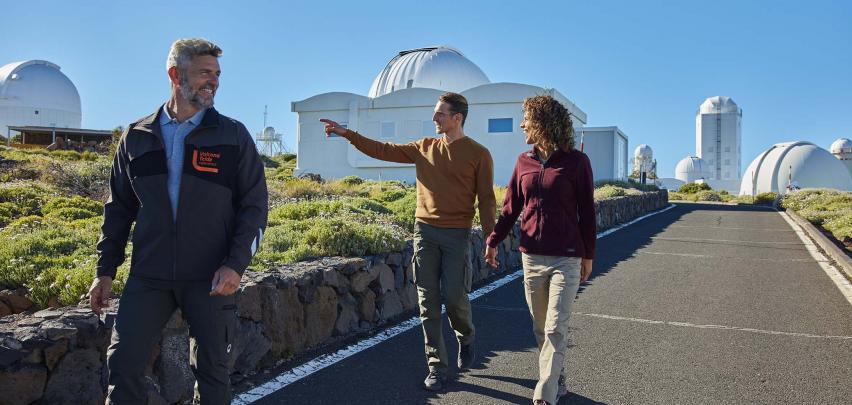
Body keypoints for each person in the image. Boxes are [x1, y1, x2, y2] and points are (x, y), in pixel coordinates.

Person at [88, 38, 268, 404]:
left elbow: (255, 207)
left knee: (214, 373)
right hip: (149, 275)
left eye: (217, 74)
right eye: (205, 72)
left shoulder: (232, 136)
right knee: (122, 366)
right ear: (175, 74)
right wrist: (105, 270)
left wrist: (235, 265)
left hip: (211, 277)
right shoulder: (137, 137)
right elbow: (118, 208)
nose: (213, 81)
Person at [321, 92, 496, 391]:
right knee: (428, 303)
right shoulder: (424, 147)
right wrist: (347, 134)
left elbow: (487, 201)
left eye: (440, 113)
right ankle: (436, 366)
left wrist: (491, 239)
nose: (434, 118)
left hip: (457, 235)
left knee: (455, 298)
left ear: (457, 118)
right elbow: (382, 150)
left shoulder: (479, 154)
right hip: (425, 232)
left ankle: (466, 336)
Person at [484, 95, 595, 405]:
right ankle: (557, 380)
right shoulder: (523, 162)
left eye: (527, 119)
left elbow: (587, 212)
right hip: (531, 257)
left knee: (556, 325)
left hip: (567, 257)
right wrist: (493, 241)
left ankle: (544, 392)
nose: (522, 125)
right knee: (540, 326)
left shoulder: (576, 162)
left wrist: (588, 256)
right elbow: (510, 209)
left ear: (544, 123)